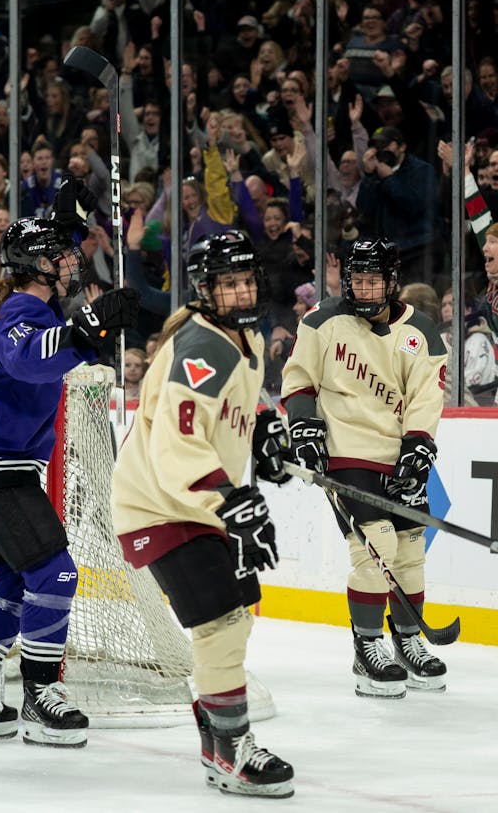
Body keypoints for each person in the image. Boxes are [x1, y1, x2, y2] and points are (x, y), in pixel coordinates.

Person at [0, 203, 138, 747]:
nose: (71, 263)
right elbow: (26, 360)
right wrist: (83, 330)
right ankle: (41, 693)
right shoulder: (21, 309)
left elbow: (35, 345)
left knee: (13, 583)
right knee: (56, 573)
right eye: (61, 256)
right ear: (38, 266)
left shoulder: (16, 299)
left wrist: (73, 215)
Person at [111, 230, 293, 798]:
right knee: (219, 622)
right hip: (160, 504)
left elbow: (243, 403)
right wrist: (233, 502)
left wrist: (265, 433)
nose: (240, 293)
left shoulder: (246, 339)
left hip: (192, 502)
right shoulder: (201, 348)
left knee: (236, 617)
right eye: (227, 284)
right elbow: (177, 447)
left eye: (245, 281)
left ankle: (219, 746)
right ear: (206, 290)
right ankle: (234, 751)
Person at [280, 237, 449, 698]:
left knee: (411, 551)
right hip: (346, 452)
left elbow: (426, 397)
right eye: (358, 279)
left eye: (374, 280)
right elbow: (298, 379)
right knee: (375, 546)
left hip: (396, 453)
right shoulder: (322, 321)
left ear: (392, 282)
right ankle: (367, 646)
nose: (364, 288)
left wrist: (418, 447)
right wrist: (305, 427)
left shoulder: (423, 333)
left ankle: (408, 640)